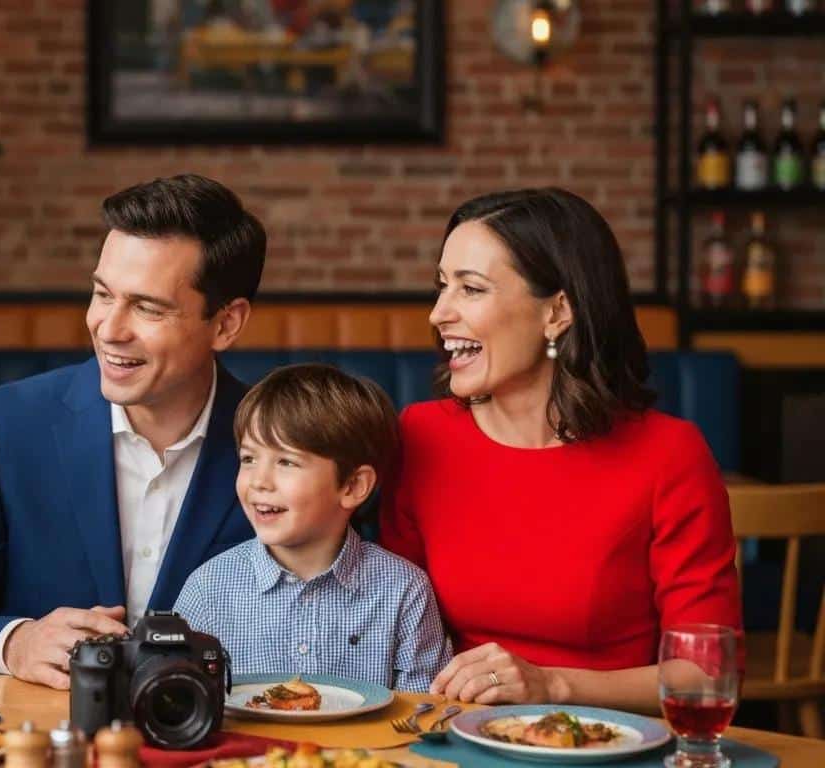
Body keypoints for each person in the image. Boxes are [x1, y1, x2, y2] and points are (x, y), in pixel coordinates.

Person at [0, 174, 266, 688]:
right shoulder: (2, 426)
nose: (109, 328)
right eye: (102, 294)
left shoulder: (290, 442)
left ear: (225, 324)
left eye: (148, 307)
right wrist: (16, 644)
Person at [380, 188, 741, 712]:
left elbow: (709, 675)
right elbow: (386, 619)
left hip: (607, 743)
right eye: (442, 286)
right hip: (456, 735)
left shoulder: (669, 455)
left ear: (557, 312)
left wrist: (551, 686)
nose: (439, 313)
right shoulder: (420, 436)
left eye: (471, 289)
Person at [174, 364, 450, 691]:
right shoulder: (208, 589)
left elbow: (424, 718)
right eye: (249, 459)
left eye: (286, 462)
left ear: (352, 486)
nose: (259, 482)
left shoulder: (404, 592)